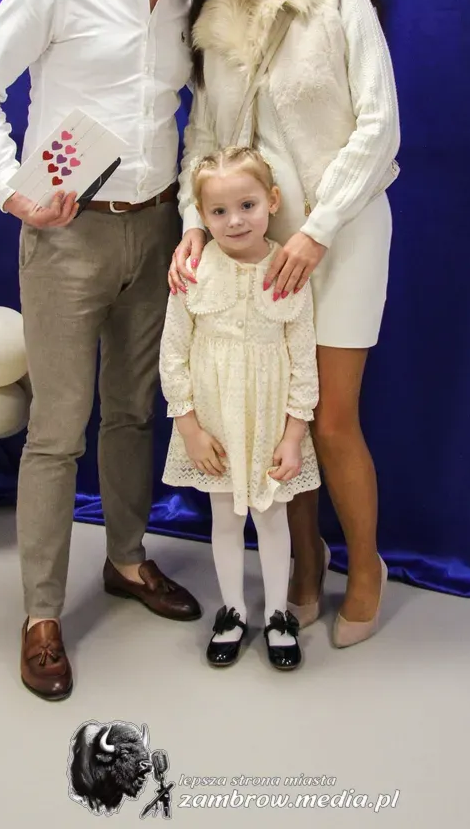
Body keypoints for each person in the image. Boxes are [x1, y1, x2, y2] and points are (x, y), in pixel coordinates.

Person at [0, 0, 206, 700]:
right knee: (58, 431)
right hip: (67, 234)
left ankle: (128, 562)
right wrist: (10, 188)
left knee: (134, 412)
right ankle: (40, 615)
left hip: (158, 226)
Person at [168, 0, 400, 649]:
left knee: (330, 419)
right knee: (272, 420)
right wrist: (194, 224)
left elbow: (379, 125)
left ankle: (364, 566)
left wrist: (316, 229)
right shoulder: (213, 19)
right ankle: (305, 561)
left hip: (342, 234)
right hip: (251, 249)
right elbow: (202, 140)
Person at [159, 146, 320, 670]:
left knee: (272, 519)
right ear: (202, 217)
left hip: (270, 421)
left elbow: (304, 361)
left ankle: (277, 614)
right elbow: (173, 353)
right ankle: (231, 611)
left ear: (272, 201)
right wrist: (190, 428)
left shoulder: (288, 270)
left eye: (247, 205)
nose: (234, 221)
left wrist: (293, 436)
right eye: (219, 211)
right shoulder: (193, 270)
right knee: (225, 519)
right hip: (215, 422)